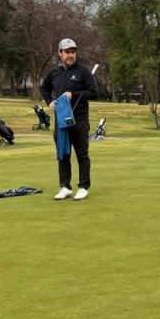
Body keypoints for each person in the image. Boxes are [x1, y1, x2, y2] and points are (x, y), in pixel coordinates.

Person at [40, 38, 99, 201]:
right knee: (63, 154)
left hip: (79, 120)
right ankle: (65, 187)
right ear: (60, 53)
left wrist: (74, 94)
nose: (71, 55)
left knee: (82, 154)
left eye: (73, 52)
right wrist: (49, 101)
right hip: (62, 121)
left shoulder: (83, 71)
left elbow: (94, 92)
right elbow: (44, 87)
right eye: (67, 52)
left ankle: (83, 187)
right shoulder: (54, 72)